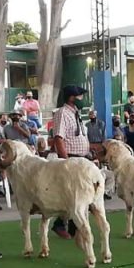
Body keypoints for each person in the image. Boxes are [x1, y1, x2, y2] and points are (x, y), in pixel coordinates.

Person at [49, 85, 90, 239]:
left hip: (81, 158)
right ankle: (60, 223)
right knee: (73, 194)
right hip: (71, 158)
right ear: (71, 97)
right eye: (80, 96)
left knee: (79, 194)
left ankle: (74, 227)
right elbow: (58, 138)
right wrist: (66, 161)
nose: (82, 99)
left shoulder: (76, 113)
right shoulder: (62, 113)